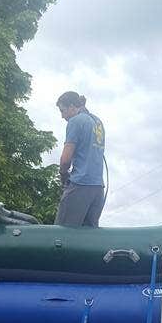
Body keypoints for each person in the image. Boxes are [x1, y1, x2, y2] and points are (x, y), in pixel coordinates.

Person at [55, 91, 105, 227]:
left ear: (72, 106)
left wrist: (63, 175)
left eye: (63, 111)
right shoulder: (97, 122)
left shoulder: (75, 121)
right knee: (87, 241)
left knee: (61, 236)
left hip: (80, 186)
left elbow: (65, 160)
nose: (62, 116)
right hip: (98, 189)